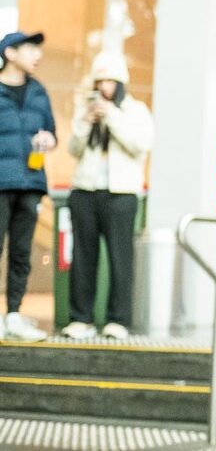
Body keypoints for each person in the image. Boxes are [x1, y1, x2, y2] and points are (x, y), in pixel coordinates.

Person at [60, 50, 153, 340]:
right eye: (99, 81)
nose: (103, 88)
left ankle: (118, 320)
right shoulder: (85, 109)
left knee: (120, 257)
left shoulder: (135, 110)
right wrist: (86, 121)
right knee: (83, 257)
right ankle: (81, 319)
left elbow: (140, 145)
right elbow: (73, 150)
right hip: (85, 191)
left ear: (121, 83)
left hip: (121, 194)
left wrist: (111, 116)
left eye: (110, 81)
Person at [0, 31, 55, 343]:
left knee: (22, 252)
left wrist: (49, 139)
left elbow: (52, 131)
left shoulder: (39, 93)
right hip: (1, 183)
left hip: (31, 183)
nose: (37, 55)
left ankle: (14, 315)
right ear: (10, 53)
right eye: (30, 49)